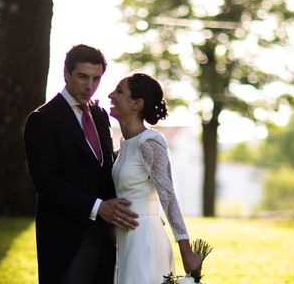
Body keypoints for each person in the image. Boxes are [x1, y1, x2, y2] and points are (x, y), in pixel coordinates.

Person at [24, 44, 139, 283]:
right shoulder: (42, 119)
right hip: (66, 240)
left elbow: (105, 167)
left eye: (96, 78)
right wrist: (98, 208)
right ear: (66, 73)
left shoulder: (100, 116)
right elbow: (46, 182)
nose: (90, 86)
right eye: (83, 77)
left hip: (107, 237)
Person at [108, 73, 202, 284]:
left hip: (144, 240)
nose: (111, 95)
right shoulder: (124, 144)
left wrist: (186, 251)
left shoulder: (150, 143)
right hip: (124, 239)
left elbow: (168, 196)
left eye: (119, 91)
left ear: (137, 104)